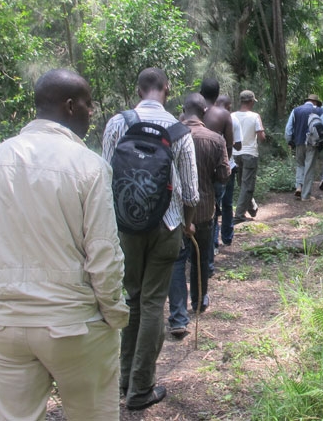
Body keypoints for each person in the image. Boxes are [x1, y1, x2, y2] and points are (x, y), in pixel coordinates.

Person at [0, 69, 129, 421]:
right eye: (87, 103)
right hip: (75, 325)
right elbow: (104, 254)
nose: (91, 111)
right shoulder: (89, 167)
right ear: (68, 106)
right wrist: (114, 315)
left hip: (7, 327)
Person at [101, 67, 199, 410]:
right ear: (167, 90)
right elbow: (190, 192)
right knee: (154, 303)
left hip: (125, 228)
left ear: (138, 89)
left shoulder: (117, 123)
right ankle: (141, 389)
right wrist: (187, 224)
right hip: (167, 227)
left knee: (132, 300)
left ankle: (124, 380)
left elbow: (104, 178)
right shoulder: (178, 130)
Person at [168, 94, 230, 335]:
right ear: (204, 111)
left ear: (183, 110)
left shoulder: (170, 136)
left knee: (176, 261)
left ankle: (178, 317)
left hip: (173, 213)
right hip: (203, 210)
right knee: (201, 256)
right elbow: (224, 175)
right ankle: (199, 300)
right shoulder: (215, 139)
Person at [199, 78, 235, 272]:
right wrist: (222, 169)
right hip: (214, 169)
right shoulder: (223, 114)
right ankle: (210, 251)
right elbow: (229, 145)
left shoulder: (191, 111)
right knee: (213, 210)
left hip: (194, 169)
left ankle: (195, 253)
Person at [232, 90, 265, 224]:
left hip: (235, 154)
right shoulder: (255, 116)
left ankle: (252, 208)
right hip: (250, 153)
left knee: (242, 183)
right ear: (251, 101)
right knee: (247, 185)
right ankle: (239, 215)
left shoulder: (232, 115)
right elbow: (261, 137)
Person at [285, 93, 323, 201]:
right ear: (315, 102)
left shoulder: (296, 110)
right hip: (313, 143)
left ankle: (298, 187)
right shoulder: (319, 111)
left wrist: (289, 140)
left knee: (300, 165)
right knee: (309, 168)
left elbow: (289, 128)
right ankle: (305, 195)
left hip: (298, 142)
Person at [214, 94, 242, 245]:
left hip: (210, 167)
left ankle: (213, 242)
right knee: (227, 204)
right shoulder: (233, 120)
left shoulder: (205, 116)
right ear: (228, 106)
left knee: (213, 205)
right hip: (228, 167)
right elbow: (238, 145)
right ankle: (227, 237)